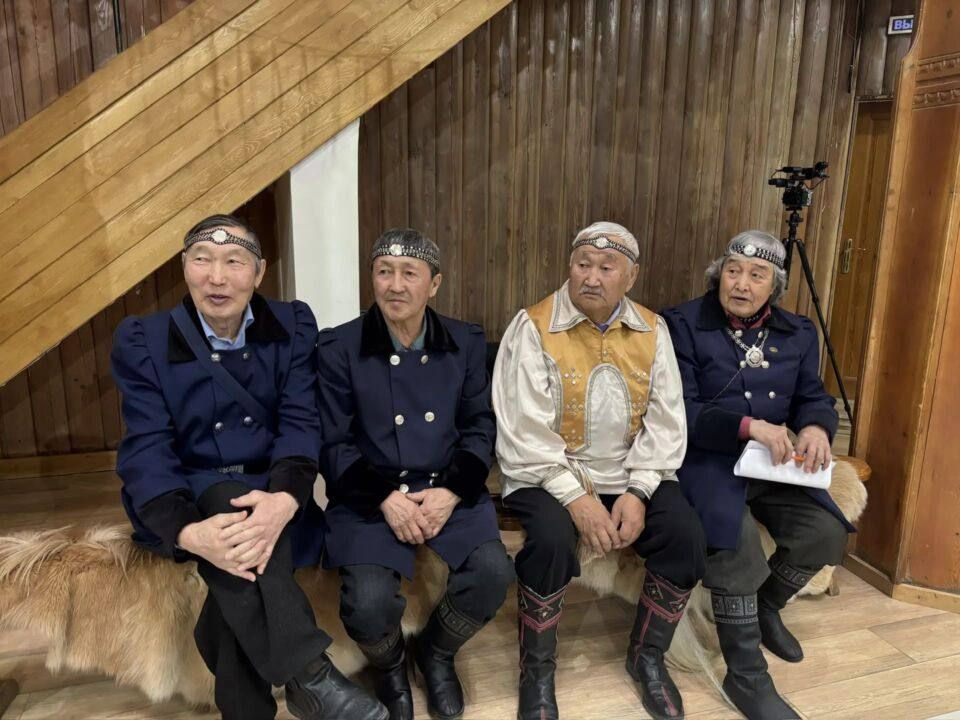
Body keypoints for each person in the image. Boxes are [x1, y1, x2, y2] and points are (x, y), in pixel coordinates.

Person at [111, 214, 386, 720]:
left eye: (234, 262)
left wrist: (284, 500)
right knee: (226, 505)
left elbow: (301, 421)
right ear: (185, 267)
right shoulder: (143, 339)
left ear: (258, 273)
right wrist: (188, 533)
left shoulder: (292, 325)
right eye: (202, 260)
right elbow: (146, 449)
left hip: (269, 489)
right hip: (189, 495)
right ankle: (309, 674)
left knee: (238, 547)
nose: (216, 278)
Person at [493, 222, 707, 720]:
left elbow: (667, 421)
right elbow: (523, 430)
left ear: (630, 277)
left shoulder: (653, 330)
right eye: (582, 264)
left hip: (632, 472)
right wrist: (577, 499)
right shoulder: (533, 326)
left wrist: (639, 490)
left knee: (685, 538)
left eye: (607, 268)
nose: (591, 277)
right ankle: (537, 672)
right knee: (550, 540)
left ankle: (647, 658)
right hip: (546, 472)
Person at [317, 228, 514, 720]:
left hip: (445, 484)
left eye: (410, 273)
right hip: (370, 492)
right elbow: (333, 442)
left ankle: (435, 651)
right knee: (366, 605)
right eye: (384, 272)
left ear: (435, 283)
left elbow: (479, 426)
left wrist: (452, 490)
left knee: (492, 574)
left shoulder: (465, 342)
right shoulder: (339, 346)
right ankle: (389, 665)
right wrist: (386, 498)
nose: (395, 285)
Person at [662, 230, 855, 720]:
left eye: (756, 275)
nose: (741, 284)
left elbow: (812, 395)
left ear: (775, 286)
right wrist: (750, 427)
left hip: (773, 461)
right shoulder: (681, 324)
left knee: (825, 532)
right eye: (732, 271)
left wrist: (814, 427)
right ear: (718, 275)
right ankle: (745, 674)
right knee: (736, 541)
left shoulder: (799, 332)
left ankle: (768, 607)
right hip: (706, 459)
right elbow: (679, 409)